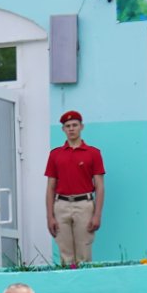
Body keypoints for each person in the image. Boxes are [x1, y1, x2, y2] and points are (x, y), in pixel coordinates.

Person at [43, 110, 105, 267]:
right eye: (68, 126)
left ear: (81, 127)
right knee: (66, 256)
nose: (71, 129)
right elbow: (50, 187)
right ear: (63, 129)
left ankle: (85, 282)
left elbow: (99, 186)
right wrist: (50, 216)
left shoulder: (93, 153)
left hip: (84, 205)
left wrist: (97, 214)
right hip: (61, 205)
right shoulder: (55, 154)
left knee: (84, 255)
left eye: (74, 125)